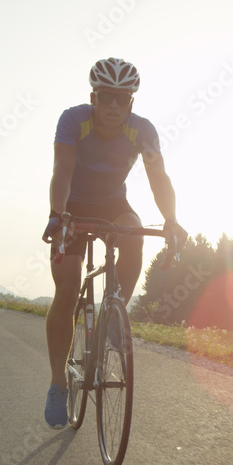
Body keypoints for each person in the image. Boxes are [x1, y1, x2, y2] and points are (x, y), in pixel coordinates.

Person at [41, 57, 187, 428]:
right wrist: (57, 216)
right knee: (68, 288)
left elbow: (159, 178)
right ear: (94, 97)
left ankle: (114, 311)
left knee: (134, 236)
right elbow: (63, 170)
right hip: (72, 205)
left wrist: (170, 221)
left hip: (112, 204)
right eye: (106, 97)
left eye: (122, 99)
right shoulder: (73, 120)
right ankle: (59, 382)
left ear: (132, 103)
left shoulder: (143, 130)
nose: (114, 106)